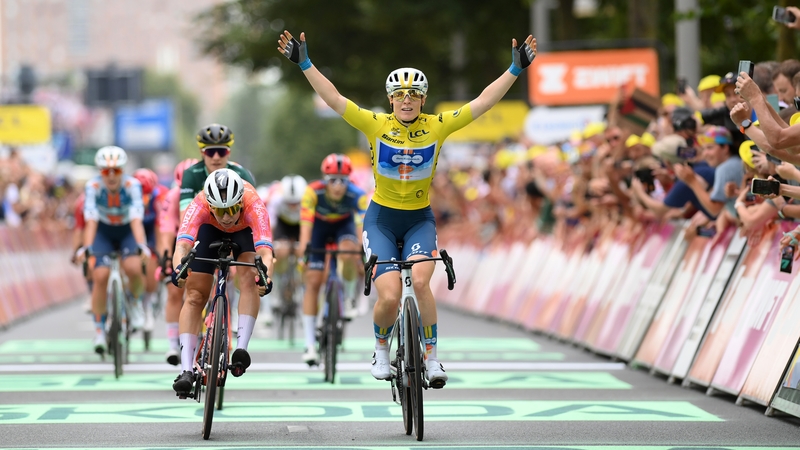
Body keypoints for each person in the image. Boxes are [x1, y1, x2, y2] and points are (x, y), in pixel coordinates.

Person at [278, 29, 537, 387]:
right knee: (389, 294)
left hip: (419, 219)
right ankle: (381, 349)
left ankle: (431, 358)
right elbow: (334, 99)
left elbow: (482, 103)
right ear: (390, 99)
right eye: (399, 95)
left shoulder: (438, 126)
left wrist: (515, 70)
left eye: (414, 95)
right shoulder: (375, 125)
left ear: (423, 99)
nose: (406, 100)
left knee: (420, 280)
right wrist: (305, 63)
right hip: (381, 219)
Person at [170, 169, 274, 395]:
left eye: (231, 209)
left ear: (240, 203)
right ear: (210, 204)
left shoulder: (253, 203)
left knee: (249, 279)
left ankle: (241, 350)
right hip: (209, 230)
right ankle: (186, 369)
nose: (226, 217)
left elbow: (265, 251)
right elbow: (182, 246)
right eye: (219, 210)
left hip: (243, 231)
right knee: (195, 294)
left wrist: (265, 276)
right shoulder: (199, 204)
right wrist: (179, 268)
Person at [74, 146, 149, 355]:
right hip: (103, 232)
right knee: (100, 276)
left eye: (116, 170)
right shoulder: (93, 186)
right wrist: (87, 248)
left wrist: (141, 245)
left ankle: (134, 303)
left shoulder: (132, 185)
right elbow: (90, 220)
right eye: (107, 171)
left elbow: (136, 219)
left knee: (134, 267)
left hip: (127, 230)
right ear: (100, 172)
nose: (112, 176)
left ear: (123, 170)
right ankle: (99, 330)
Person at [297, 154, 367, 366]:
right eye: (332, 180)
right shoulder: (313, 192)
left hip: (343, 228)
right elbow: (306, 226)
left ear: (349, 181)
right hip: (318, 228)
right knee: (314, 281)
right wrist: (304, 252)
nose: (337, 186)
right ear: (324, 179)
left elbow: (362, 227)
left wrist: (362, 252)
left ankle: (346, 297)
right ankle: (310, 344)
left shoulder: (357, 195)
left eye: (342, 181)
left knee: (349, 251)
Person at [156, 158, 197, 365]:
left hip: (202, 238)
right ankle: (173, 344)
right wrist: (165, 260)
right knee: (174, 291)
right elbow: (165, 232)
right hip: (178, 238)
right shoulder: (172, 197)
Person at [266, 174, 308, 326]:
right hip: (283, 228)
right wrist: (271, 246)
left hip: (300, 227)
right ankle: (277, 288)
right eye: (289, 203)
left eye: (296, 203)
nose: (292, 206)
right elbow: (270, 226)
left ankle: (301, 295)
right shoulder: (276, 200)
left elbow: (309, 228)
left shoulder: (307, 201)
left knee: (302, 255)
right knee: (280, 252)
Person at [132, 168, 168, 335]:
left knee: (151, 266)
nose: (143, 199)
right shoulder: (127, 192)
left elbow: (161, 228)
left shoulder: (160, 196)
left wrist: (161, 252)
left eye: (146, 194)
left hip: (152, 229)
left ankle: (147, 305)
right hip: (132, 227)